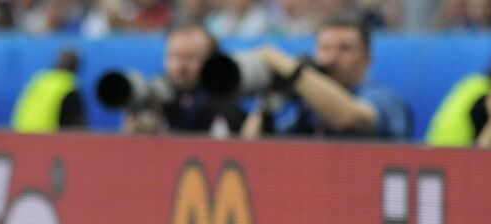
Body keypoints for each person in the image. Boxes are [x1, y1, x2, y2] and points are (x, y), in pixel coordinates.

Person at [240, 14, 410, 140]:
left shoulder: (384, 99)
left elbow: (349, 117)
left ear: (367, 58)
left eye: (345, 49)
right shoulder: (309, 109)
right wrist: (265, 104)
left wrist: (287, 67)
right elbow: (251, 147)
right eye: (325, 49)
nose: (332, 58)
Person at [122, 21, 245, 137]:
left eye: (190, 58)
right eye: (173, 57)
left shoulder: (225, 99)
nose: (179, 67)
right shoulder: (154, 93)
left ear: (212, 61)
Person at [11, 48, 86, 134]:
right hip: (47, 141)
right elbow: (77, 126)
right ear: (77, 66)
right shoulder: (68, 85)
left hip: (20, 136)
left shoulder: (39, 80)